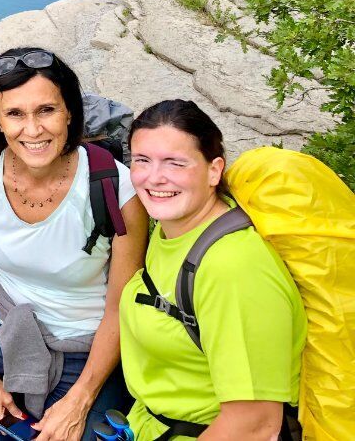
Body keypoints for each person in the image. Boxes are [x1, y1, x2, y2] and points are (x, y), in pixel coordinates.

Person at [0, 48, 148, 441]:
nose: (34, 130)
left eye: (46, 111)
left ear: (70, 113)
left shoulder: (115, 186)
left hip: (86, 351)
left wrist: (81, 398)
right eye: (15, 114)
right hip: (0, 334)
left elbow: (121, 305)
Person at [120, 99, 306, 441]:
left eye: (175, 163)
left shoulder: (234, 268)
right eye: (141, 160)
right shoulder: (172, 229)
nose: (154, 177)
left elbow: (254, 425)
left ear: (213, 170)